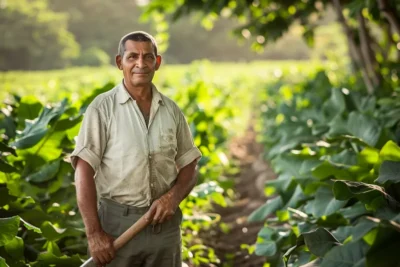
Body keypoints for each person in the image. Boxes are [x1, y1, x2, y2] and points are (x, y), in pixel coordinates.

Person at [70, 31, 202, 267]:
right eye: (132, 57)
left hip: (165, 229)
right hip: (117, 227)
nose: (141, 64)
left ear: (157, 62)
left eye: (148, 57)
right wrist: (94, 234)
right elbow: (83, 171)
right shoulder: (102, 108)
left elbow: (189, 164)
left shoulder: (171, 110)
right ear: (120, 62)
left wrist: (173, 198)